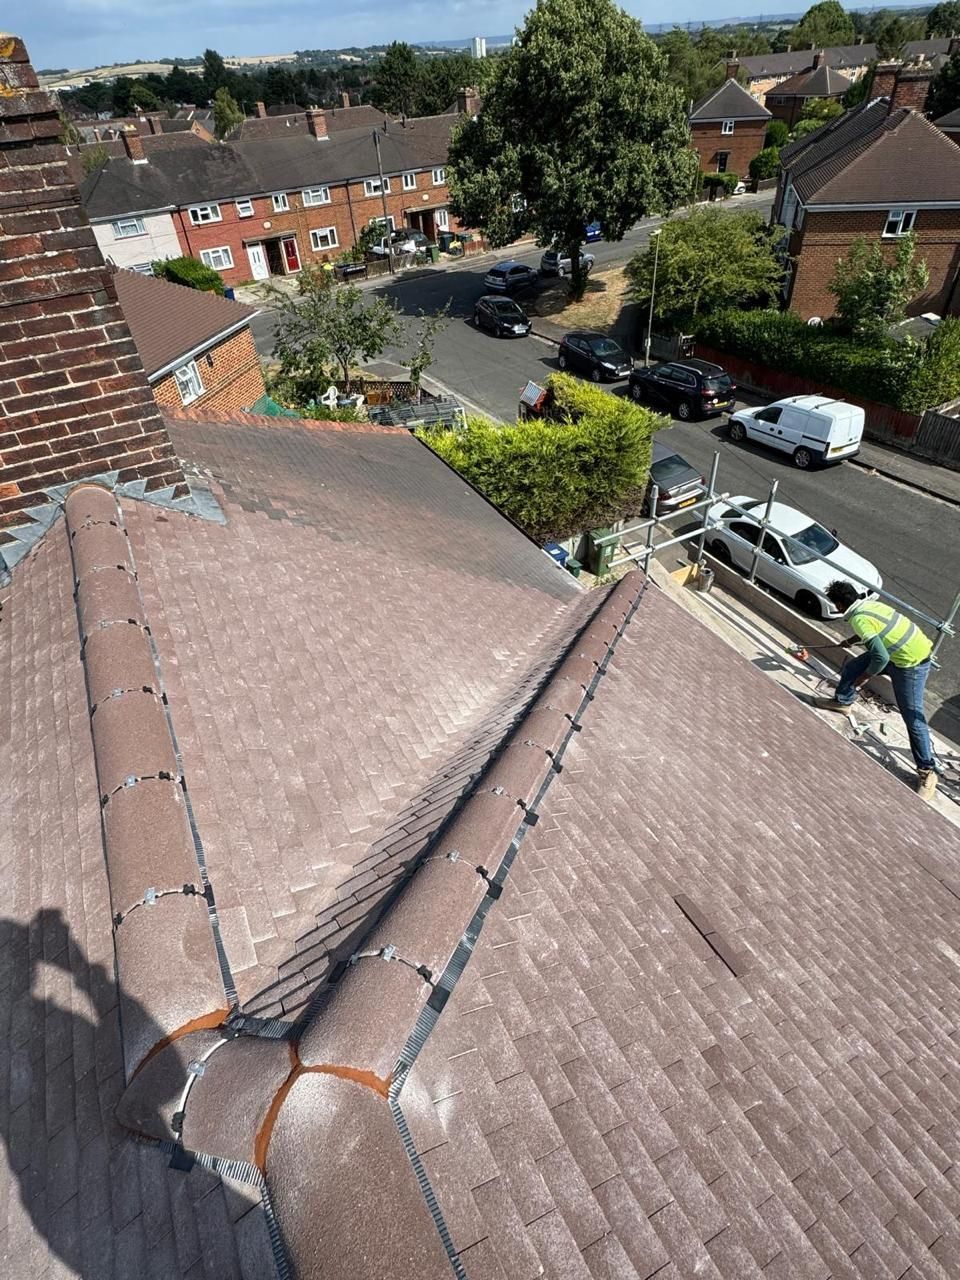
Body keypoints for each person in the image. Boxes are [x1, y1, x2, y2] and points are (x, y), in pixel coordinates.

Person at [816, 580, 938, 799]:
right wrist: (851, 641)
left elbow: (880, 657)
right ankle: (842, 702)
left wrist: (864, 678)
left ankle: (927, 771)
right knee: (853, 666)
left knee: (912, 717)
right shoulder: (869, 605)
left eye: (835, 604)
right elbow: (879, 630)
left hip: (910, 664)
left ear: (840, 605)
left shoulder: (859, 619)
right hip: (899, 654)